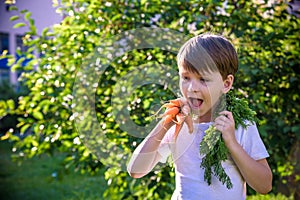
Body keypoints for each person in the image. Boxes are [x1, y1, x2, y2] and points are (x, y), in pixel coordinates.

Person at [127, 33, 272, 199]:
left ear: (226, 84)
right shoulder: (178, 124)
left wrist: (231, 142)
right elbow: (136, 170)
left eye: (203, 79)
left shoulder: (238, 124)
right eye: (186, 78)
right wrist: (165, 124)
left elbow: (264, 185)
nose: (191, 88)